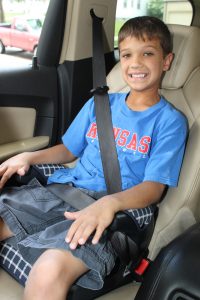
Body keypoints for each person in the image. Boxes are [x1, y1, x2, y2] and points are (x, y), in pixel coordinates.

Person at [0, 16, 187, 300]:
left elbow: (154, 187)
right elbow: (68, 150)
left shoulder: (170, 121)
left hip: (112, 207)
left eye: (148, 53)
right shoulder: (100, 103)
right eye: (127, 55)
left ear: (166, 61)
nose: (136, 63)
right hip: (64, 191)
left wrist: (110, 204)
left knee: (48, 270)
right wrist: (28, 156)